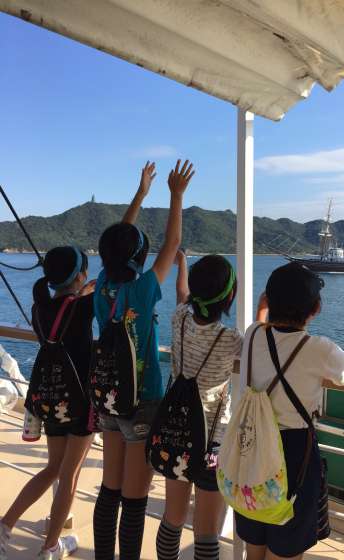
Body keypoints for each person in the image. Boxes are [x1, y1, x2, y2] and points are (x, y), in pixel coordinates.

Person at [236, 262, 344, 560]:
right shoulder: (317, 349)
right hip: (293, 455)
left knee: (254, 546)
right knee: (285, 548)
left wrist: (262, 309)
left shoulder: (254, 334)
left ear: (269, 299)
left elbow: (261, 326)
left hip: (250, 448)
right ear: (316, 308)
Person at [93, 159, 194, 560]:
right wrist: (176, 195)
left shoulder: (102, 285)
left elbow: (119, 242)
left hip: (108, 397)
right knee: (134, 501)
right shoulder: (144, 290)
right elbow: (173, 243)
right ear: (139, 257)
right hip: (143, 400)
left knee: (109, 490)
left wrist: (140, 195)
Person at [0, 246, 95, 560]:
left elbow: (65, 306)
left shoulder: (39, 307)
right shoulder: (83, 307)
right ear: (81, 276)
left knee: (52, 468)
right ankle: (51, 546)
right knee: (69, 476)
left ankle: (5, 525)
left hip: (51, 400)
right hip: (79, 402)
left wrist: (81, 291)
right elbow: (113, 276)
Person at [156, 254, 242, 560]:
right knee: (206, 531)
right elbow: (260, 351)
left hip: (176, 430)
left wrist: (182, 264)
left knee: (173, 518)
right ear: (229, 297)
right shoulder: (231, 339)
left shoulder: (179, 318)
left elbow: (181, 294)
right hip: (211, 441)